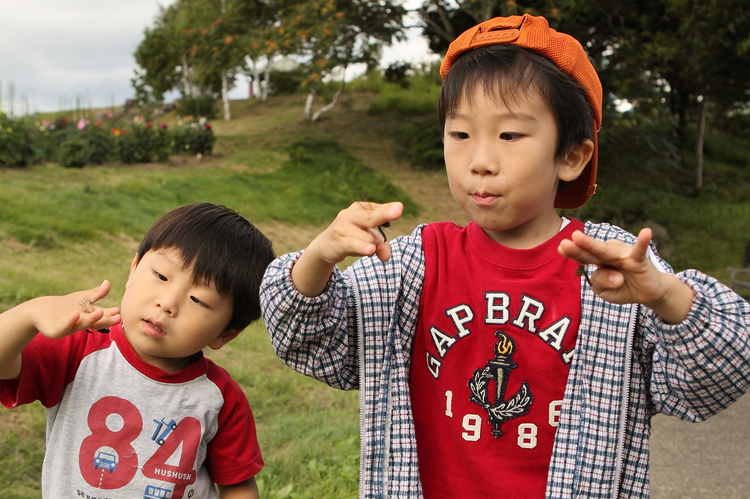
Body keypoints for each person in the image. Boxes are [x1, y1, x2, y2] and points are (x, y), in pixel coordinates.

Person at [260, 14, 750, 499]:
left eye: (510, 135)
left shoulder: (611, 268)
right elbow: (312, 343)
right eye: (460, 134)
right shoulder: (416, 262)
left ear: (570, 156)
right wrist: (318, 260)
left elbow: (718, 375)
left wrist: (665, 297)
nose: (480, 161)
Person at [0, 203, 275, 499]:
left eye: (199, 299)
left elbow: (238, 485)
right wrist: (29, 314)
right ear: (133, 269)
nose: (168, 302)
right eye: (160, 275)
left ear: (227, 332)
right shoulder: (78, 353)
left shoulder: (220, 399)